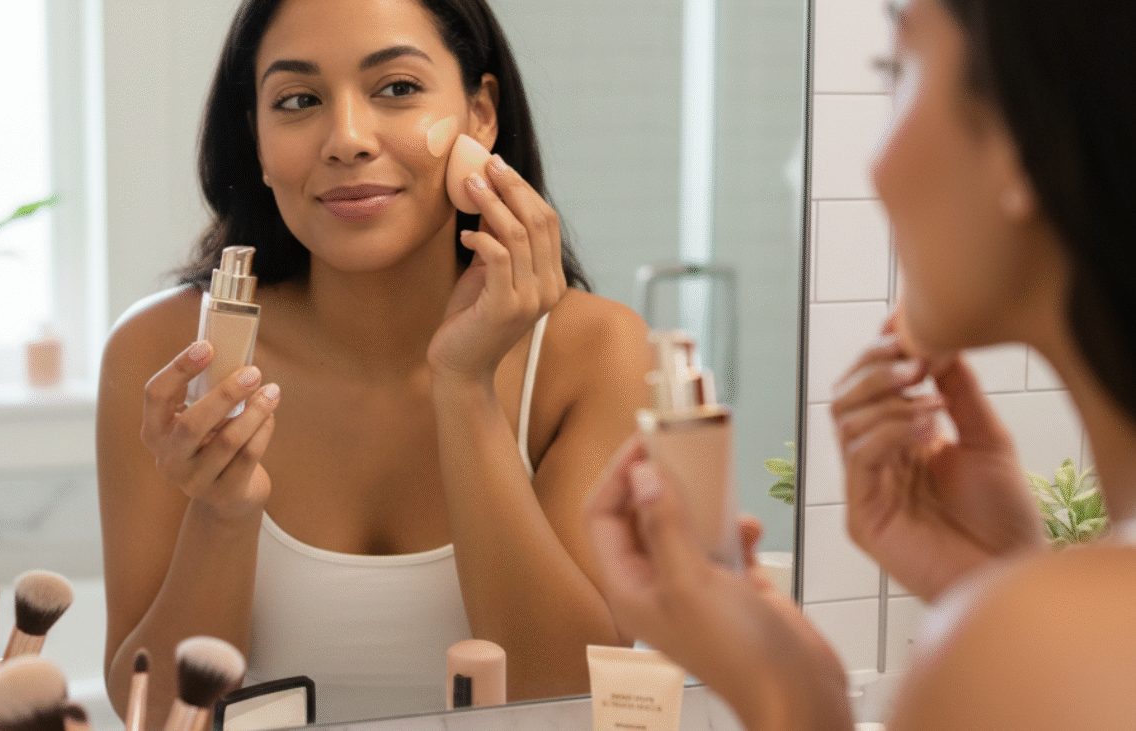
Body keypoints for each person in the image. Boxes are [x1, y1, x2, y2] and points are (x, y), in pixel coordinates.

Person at [585, 0, 1136, 728]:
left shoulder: (1036, 651)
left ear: (1018, 136)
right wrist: (997, 581)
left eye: (896, 68)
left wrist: (786, 694)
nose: (873, 165)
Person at [97, 0, 650, 725]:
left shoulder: (593, 353)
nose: (347, 139)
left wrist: (464, 386)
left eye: (396, 89)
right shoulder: (168, 351)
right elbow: (155, 713)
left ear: (480, 115)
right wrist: (221, 511)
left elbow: (567, 697)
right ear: (257, 141)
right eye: (297, 101)